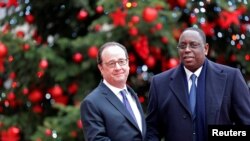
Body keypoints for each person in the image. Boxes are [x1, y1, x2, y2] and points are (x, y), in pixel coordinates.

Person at [146, 27, 250, 141]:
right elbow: (152, 130)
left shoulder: (231, 77)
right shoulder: (160, 83)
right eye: (182, 46)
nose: (187, 50)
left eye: (193, 45)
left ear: (205, 49)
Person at [80, 41, 146, 141]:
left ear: (127, 63)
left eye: (121, 61)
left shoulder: (132, 95)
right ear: (101, 68)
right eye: (111, 63)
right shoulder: (91, 103)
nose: (118, 67)